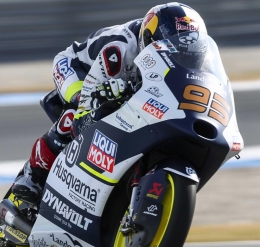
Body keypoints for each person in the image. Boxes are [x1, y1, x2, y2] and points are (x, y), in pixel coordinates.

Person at [12, 2, 209, 203]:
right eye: (174, 51)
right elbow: (84, 116)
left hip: (121, 78)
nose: (182, 57)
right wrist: (98, 100)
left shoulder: (198, 58)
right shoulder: (120, 49)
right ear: (149, 41)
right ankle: (32, 174)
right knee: (76, 110)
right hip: (76, 68)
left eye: (188, 51)